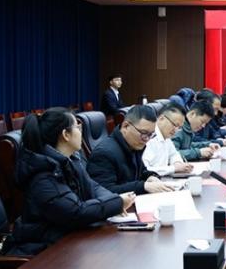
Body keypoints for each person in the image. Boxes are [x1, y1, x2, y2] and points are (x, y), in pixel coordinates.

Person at [12, 108, 134, 254]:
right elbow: (75, 212)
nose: (81, 131)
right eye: (78, 127)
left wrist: (114, 201)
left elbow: (92, 186)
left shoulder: (71, 159)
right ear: (66, 135)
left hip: (68, 238)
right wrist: (117, 203)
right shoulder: (43, 175)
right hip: (42, 251)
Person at [87, 105, 174, 194]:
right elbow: (104, 191)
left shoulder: (134, 145)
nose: (147, 139)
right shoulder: (104, 153)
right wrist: (144, 186)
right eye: (144, 133)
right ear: (126, 126)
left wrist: (151, 177)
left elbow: (141, 172)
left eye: (151, 134)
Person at [142, 103, 193, 176]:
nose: (176, 130)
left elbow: (174, 154)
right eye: (175, 125)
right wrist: (174, 168)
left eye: (179, 127)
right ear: (161, 118)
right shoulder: (148, 137)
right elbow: (145, 170)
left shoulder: (166, 136)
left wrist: (177, 163)